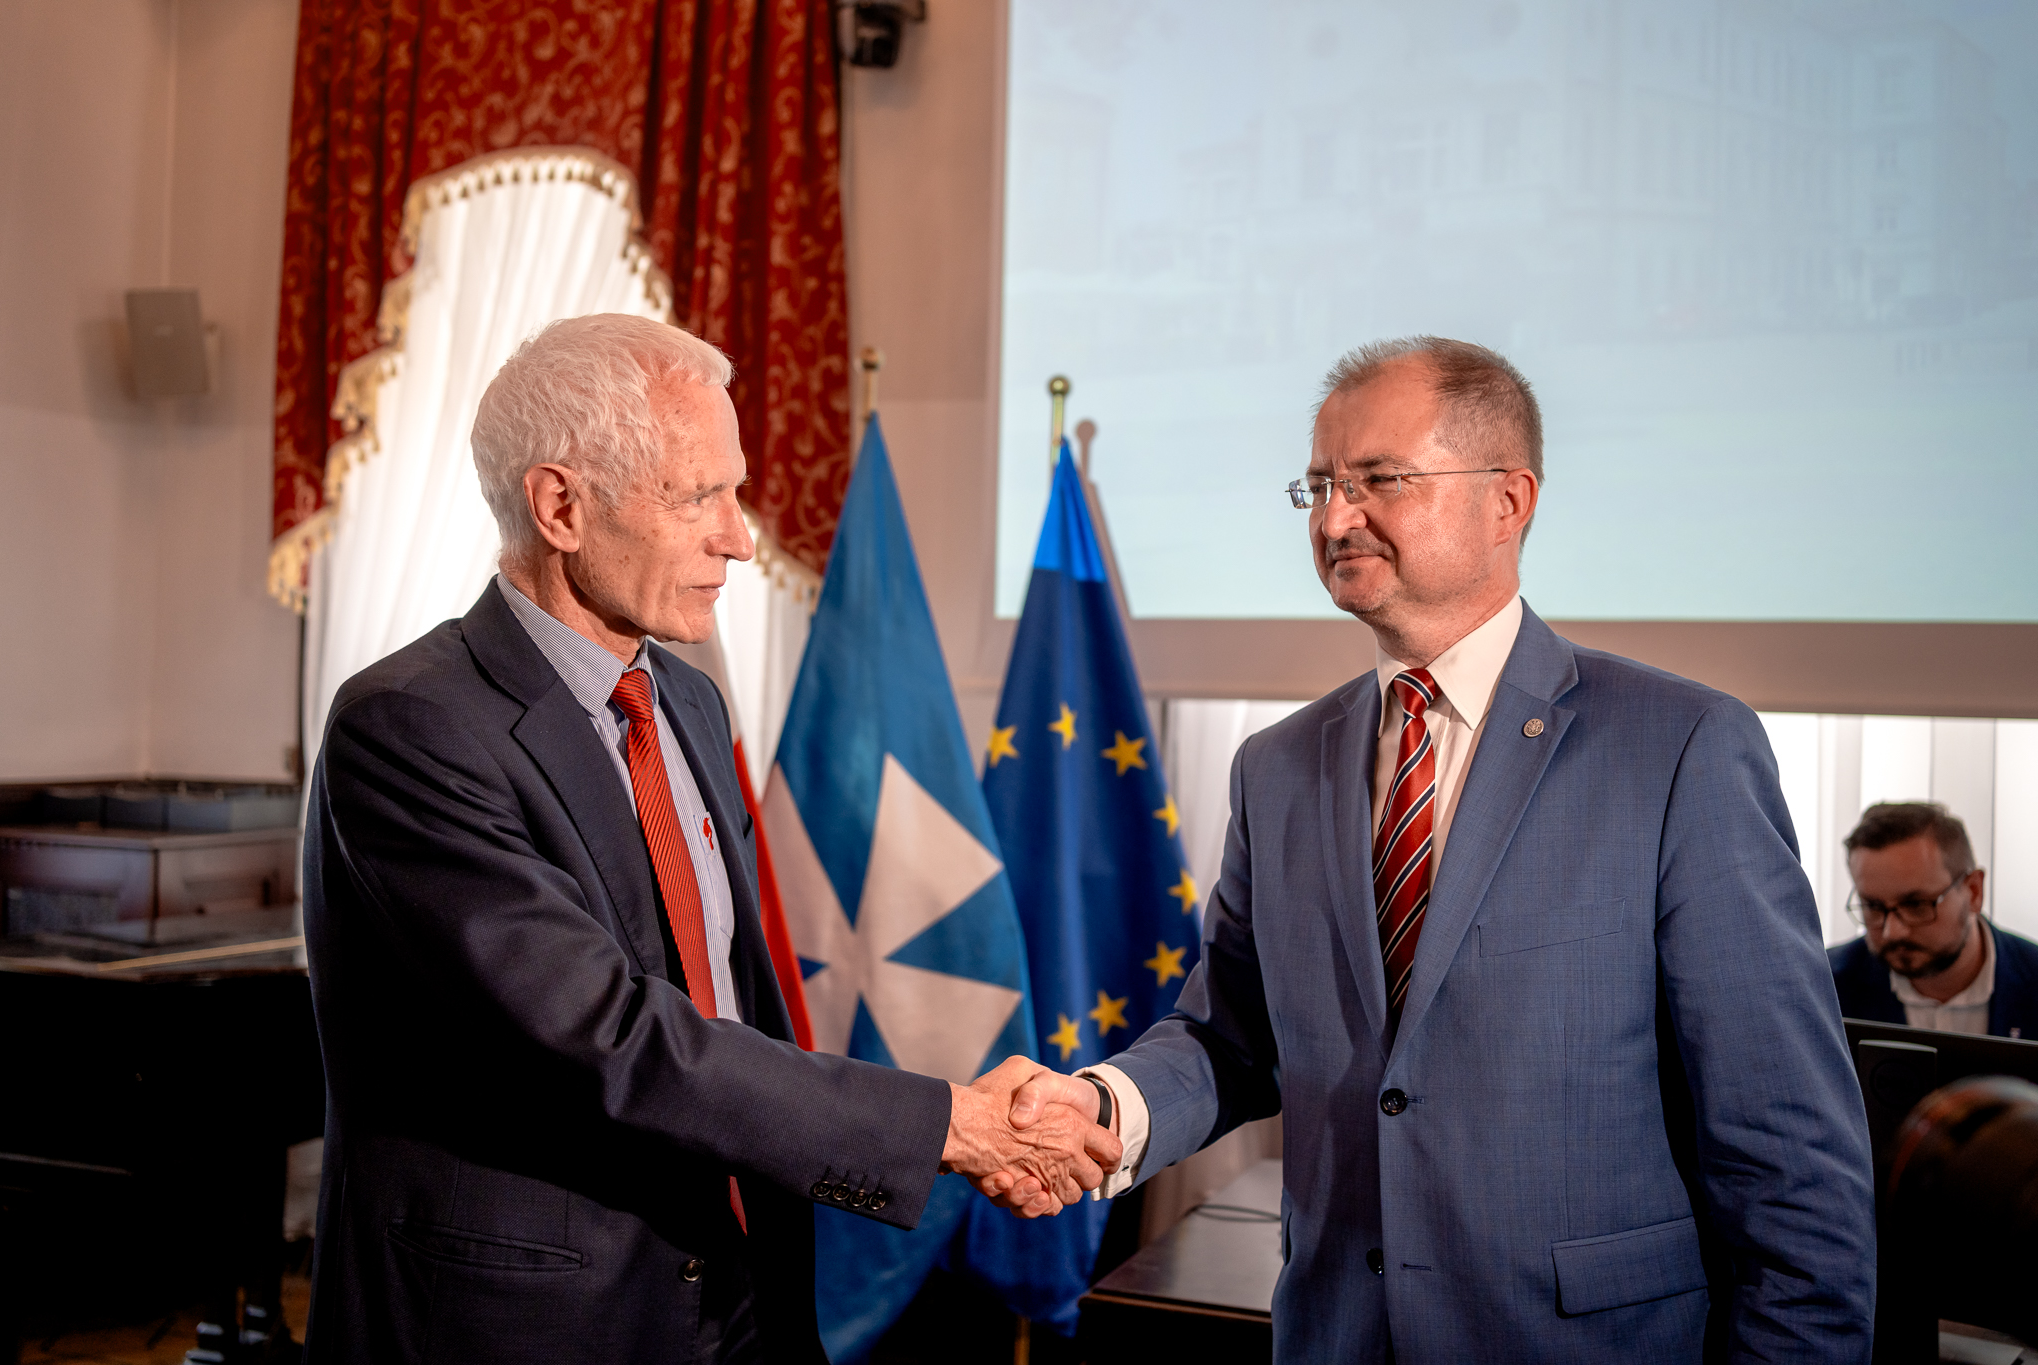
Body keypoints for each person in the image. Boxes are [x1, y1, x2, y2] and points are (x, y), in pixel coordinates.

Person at [992, 337, 1877, 1362]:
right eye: (1320, 485)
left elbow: (1784, 1150)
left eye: (1379, 480)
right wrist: (1106, 1104)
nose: (1334, 519)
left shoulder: (1681, 747)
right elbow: (1230, 1035)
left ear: (1508, 501)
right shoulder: (1275, 767)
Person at [301, 314, 1117, 1365]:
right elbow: (609, 1038)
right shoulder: (410, 727)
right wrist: (949, 1126)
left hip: (735, 1286)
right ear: (560, 507)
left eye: (735, 493)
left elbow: (731, 1005)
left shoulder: (686, 702)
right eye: (698, 497)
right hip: (528, 1322)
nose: (739, 537)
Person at [1828, 801, 2038, 1039]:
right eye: (1873, 907)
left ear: (1974, 891)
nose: (1892, 932)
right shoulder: (1826, 988)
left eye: (1916, 905)